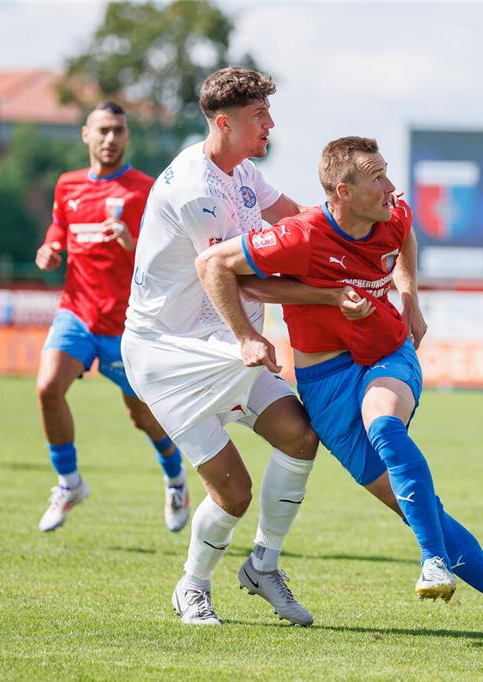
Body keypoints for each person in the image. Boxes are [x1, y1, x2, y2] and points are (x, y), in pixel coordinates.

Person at [196, 136, 483, 641]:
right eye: (378, 177)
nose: (392, 187)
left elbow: (406, 235)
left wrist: (409, 296)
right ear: (343, 192)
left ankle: (434, 561)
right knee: (422, 511)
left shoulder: (392, 213)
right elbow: (220, 269)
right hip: (325, 385)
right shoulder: (300, 236)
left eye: (388, 173)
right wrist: (310, 306)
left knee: (385, 424)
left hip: (388, 354)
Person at [122, 66, 357, 627]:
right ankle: (192, 587)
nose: (270, 125)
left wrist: (355, 234)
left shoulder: (242, 169)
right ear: (224, 123)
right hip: (170, 356)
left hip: (224, 347)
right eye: (260, 117)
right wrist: (313, 303)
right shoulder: (197, 191)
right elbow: (225, 275)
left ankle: (263, 566)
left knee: (301, 438)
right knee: (234, 493)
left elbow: (296, 220)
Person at [34, 101, 191, 534]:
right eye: (102, 130)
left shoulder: (144, 190)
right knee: (48, 387)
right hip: (77, 313)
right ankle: (69, 483)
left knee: (142, 416)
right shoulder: (67, 186)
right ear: (86, 134)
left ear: (127, 136)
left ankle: (176, 478)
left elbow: (167, 258)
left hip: (128, 324)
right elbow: (59, 231)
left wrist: (131, 242)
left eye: (118, 130)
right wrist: (49, 250)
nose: (110, 139)